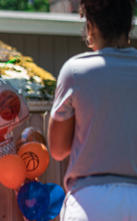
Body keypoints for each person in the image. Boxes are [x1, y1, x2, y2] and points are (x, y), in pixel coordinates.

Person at [47, 0, 137, 220]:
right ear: (128, 25)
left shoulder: (76, 71)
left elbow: (58, 149)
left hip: (90, 203)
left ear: (91, 26)